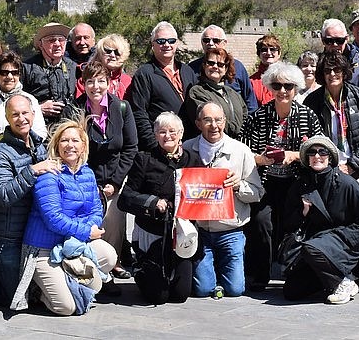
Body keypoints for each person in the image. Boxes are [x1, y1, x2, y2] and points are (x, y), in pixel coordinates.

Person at [13, 118, 118, 315]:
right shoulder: (48, 174)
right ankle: (39, 292)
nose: (70, 145)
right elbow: (53, 218)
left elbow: (96, 209)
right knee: (66, 308)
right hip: (43, 248)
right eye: (64, 140)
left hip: (72, 244)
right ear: (56, 145)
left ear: (83, 145)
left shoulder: (87, 172)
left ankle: (67, 280)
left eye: (75, 140)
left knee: (109, 255)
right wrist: (87, 230)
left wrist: (90, 228)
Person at [241, 62, 323, 289]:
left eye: (288, 85)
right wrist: (260, 159)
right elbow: (243, 151)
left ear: (296, 87)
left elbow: (320, 149)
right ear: (270, 87)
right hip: (265, 181)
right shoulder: (257, 117)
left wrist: (294, 155)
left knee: (293, 225)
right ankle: (260, 274)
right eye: (277, 85)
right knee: (261, 223)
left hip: (296, 181)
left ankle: (291, 271)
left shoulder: (308, 116)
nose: (283, 90)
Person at [66, 60, 138, 287]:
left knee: (114, 223)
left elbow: (130, 147)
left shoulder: (122, 108)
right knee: (90, 225)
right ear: (83, 84)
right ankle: (93, 269)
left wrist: (116, 181)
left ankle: (112, 263)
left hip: (115, 179)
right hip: (86, 179)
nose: (95, 87)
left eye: (100, 81)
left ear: (108, 83)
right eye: (90, 82)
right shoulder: (76, 109)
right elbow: (71, 148)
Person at [279, 136, 359, 305]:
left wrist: (345, 237)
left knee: (312, 249)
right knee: (291, 291)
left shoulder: (347, 183)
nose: (317, 156)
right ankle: (330, 281)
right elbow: (288, 223)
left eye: (322, 152)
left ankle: (344, 282)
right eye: (312, 153)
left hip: (344, 241)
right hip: (315, 243)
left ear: (330, 157)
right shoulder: (300, 185)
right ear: (307, 159)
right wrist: (303, 212)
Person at [0, 95, 60, 306]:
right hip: (7, 235)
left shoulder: (41, 146)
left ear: (33, 114)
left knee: (30, 295)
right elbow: (2, 195)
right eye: (15, 114)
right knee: (14, 297)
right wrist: (32, 171)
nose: (21, 119)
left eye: (25, 113)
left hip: (34, 233)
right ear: (7, 118)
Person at [182, 103, 264, 298]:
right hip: (200, 231)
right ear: (198, 123)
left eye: (218, 120)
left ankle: (222, 268)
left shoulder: (241, 151)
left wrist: (238, 186)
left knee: (235, 290)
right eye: (207, 120)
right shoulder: (187, 149)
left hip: (231, 231)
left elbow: (257, 193)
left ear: (225, 122)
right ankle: (211, 271)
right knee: (202, 290)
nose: (214, 125)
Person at [119, 112, 200, 305]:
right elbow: (125, 198)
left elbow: (207, 190)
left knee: (180, 296)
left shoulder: (193, 160)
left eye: (172, 131)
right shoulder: (144, 159)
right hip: (152, 230)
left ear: (181, 133)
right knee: (159, 296)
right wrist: (153, 203)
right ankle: (141, 269)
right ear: (155, 135)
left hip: (182, 232)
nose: (167, 136)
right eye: (162, 132)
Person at [303, 52, 359, 187]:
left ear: (344, 72)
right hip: (327, 168)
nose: (332, 74)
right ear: (322, 74)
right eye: (327, 70)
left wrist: (352, 166)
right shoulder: (312, 101)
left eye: (337, 69)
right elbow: (308, 138)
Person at [127, 21, 197, 152]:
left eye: (171, 40)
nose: (166, 45)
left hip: (189, 146)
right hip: (160, 148)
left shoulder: (187, 71)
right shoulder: (145, 73)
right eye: (161, 41)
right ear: (152, 44)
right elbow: (139, 113)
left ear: (177, 43)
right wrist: (155, 146)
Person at [180, 46, 247, 140]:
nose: (215, 67)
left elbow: (246, 118)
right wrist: (237, 131)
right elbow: (208, 120)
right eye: (211, 63)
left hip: (237, 147)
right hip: (210, 146)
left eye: (220, 64)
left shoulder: (233, 94)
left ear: (226, 69)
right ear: (204, 66)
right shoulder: (197, 92)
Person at [186, 25, 257, 112]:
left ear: (224, 43)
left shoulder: (238, 67)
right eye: (206, 40)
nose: (210, 43)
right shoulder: (192, 68)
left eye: (216, 40)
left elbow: (250, 100)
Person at [0, 52, 46, 140]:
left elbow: (41, 132)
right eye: (4, 72)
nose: (10, 76)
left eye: (14, 73)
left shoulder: (30, 100)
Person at [22, 23, 78, 128]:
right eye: (51, 40)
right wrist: (38, 109)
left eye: (61, 40)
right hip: (37, 128)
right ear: (40, 44)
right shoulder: (27, 67)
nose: (57, 44)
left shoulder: (73, 67)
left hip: (67, 127)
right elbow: (16, 99)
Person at [76, 34, 132, 99]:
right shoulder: (87, 78)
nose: (112, 55)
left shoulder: (128, 81)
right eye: (108, 51)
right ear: (100, 54)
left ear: (123, 56)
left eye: (117, 52)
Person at [250, 34, 283, 106]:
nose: (268, 53)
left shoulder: (287, 78)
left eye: (272, 49)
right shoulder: (251, 82)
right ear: (259, 54)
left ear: (279, 53)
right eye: (264, 50)